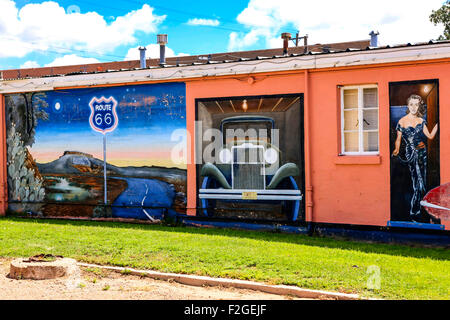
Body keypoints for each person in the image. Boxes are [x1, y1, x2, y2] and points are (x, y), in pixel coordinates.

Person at [392, 94, 438, 222]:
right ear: (408, 105)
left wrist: (438, 125)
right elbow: (398, 139)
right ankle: (416, 210)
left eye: (416, 104)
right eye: (411, 104)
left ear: (419, 106)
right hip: (410, 153)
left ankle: (421, 210)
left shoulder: (421, 121)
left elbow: (430, 136)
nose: (413, 107)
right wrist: (396, 150)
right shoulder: (402, 121)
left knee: (422, 179)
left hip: (421, 152)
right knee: (416, 181)